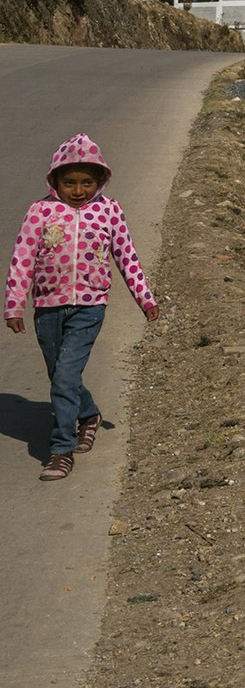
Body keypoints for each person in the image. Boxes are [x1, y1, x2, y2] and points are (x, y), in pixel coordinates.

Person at [5, 134, 159, 482]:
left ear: (99, 180)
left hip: (90, 306)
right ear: (55, 180)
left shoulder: (109, 210)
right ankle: (88, 414)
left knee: (64, 376)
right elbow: (22, 260)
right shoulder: (40, 211)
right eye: (69, 182)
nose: (78, 190)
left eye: (86, 182)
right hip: (47, 306)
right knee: (60, 373)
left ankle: (60, 449)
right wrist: (14, 305)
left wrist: (145, 299)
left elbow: (127, 258)